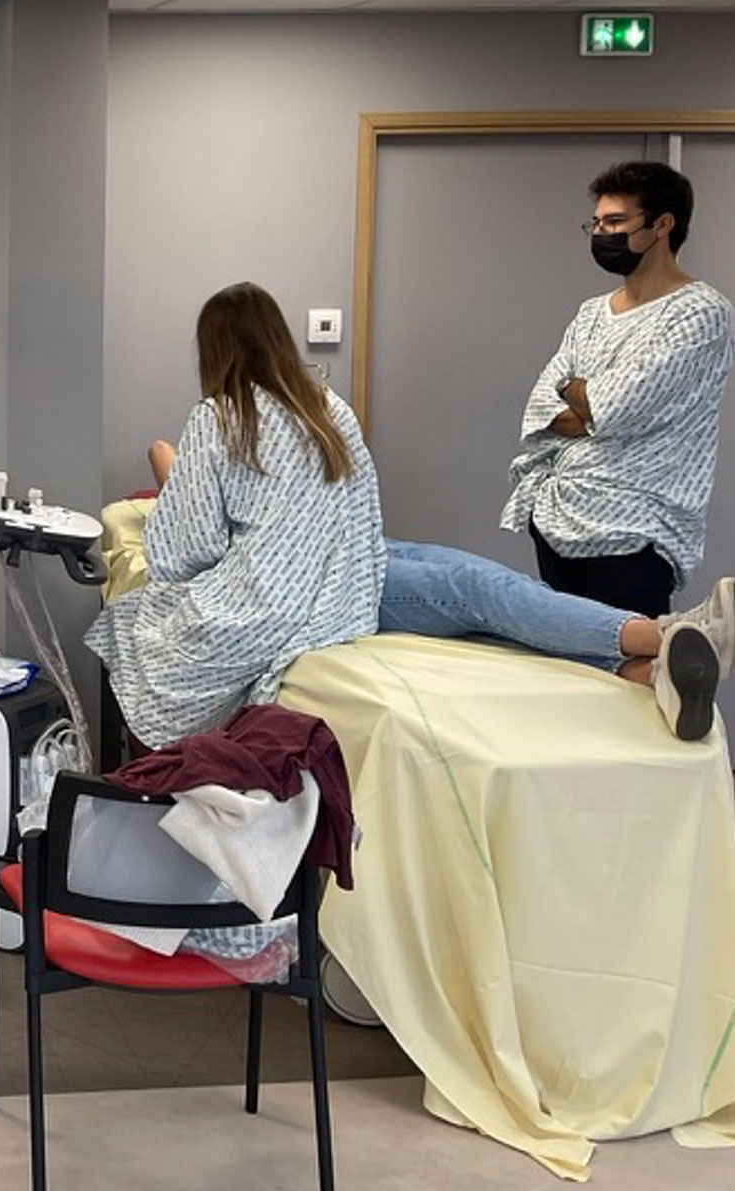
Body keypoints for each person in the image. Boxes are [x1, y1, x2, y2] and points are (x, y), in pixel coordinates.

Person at [146, 440, 733, 742]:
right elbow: (161, 452)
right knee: (472, 588)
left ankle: (641, 675)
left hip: (360, 546)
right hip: (323, 587)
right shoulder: (202, 514)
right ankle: (661, 634)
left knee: (498, 599)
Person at [88, 283, 385, 750]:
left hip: (256, 605)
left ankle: (151, 774)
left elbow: (189, 549)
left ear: (215, 351)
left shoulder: (220, 418)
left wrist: (166, 468)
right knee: (467, 583)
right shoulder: (334, 412)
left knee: (133, 633)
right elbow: (365, 516)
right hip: (345, 595)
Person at [502, 161, 735, 616]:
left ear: (662, 225)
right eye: (596, 222)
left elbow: (617, 405)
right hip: (558, 515)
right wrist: (580, 396)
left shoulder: (699, 313)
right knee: (571, 669)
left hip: (636, 528)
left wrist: (584, 398)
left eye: (615, 222)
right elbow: (541, 405)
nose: (601, 233)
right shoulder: (591, 313)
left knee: (629, 669)